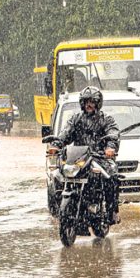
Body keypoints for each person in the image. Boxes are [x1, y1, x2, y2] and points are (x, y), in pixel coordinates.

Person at [48, 86, 121, 224]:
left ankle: (112, 211)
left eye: (93, 101)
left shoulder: (106, 120)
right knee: (58, 175)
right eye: (86, 101)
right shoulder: (76, 119)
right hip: (79, 158)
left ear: (98, 103)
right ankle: (60, 208)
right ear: (82, 103)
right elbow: (65, 133)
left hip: (100, 158)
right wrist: (56, 145)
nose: (89, 104)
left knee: (111, 177)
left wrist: (110, 148)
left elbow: (113, 134)